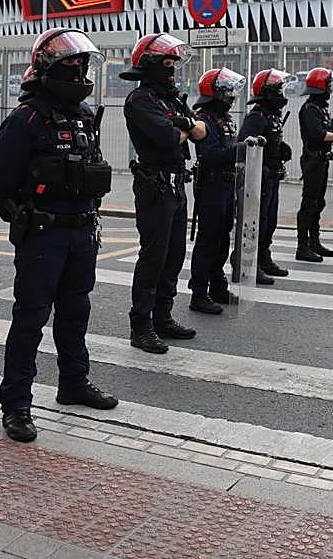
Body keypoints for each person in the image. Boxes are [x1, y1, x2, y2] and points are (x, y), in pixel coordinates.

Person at [0, 29, 117, 443]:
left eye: (81, 65)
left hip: (81, 231)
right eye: (70, 66)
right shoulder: (26, 118)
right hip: (44, 236)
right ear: (47, 69)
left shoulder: (81, 115)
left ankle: (73, 383)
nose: (78, 72)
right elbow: (0, 183)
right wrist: (25, 222)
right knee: (30, 320)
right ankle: (16, 405)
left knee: (76, 313)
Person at [122, 33, 205, 353]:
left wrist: (182, 126)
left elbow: (200, 132)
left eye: (174, 63)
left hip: (176, 185)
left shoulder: (171, 98)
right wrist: (184, 127)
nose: (171, 70)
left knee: (173, 256)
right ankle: (140, 326)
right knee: (153, 257)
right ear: (151, 65)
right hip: (154, 185)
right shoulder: (140, 100)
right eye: (166, 63)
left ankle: (163, 317)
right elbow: (167, 136)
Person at [187, 67, 246, 315]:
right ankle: (199, 293)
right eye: (228, 89)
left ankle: (217, 285)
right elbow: (210, 155)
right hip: (212, 185)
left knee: (223, 239)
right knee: (208, 240)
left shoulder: (223, 118)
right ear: (216, 92)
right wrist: (241, 150)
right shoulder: (205, 118)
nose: (232, 95)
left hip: (226, 185)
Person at [237, 68, 292, 284]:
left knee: (269, 221)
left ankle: (264, 257)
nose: (282, 93)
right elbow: (245, 144)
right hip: (259, 177)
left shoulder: (271, 116)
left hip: (271, 176)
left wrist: (281, 149)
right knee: (257, 222)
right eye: (279, 89)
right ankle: (251, 265)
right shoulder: (257, 116)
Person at [295, 67, 333, 263]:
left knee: (319, 203)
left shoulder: (321, 108)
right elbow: (319, 134)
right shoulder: (309, 109)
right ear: (320, 87)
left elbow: (332, 128)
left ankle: (314, 242)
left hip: (322, 160)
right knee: (309, 203)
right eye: (328, 86)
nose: (331, 90)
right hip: (312, 161)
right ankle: (302, 246)